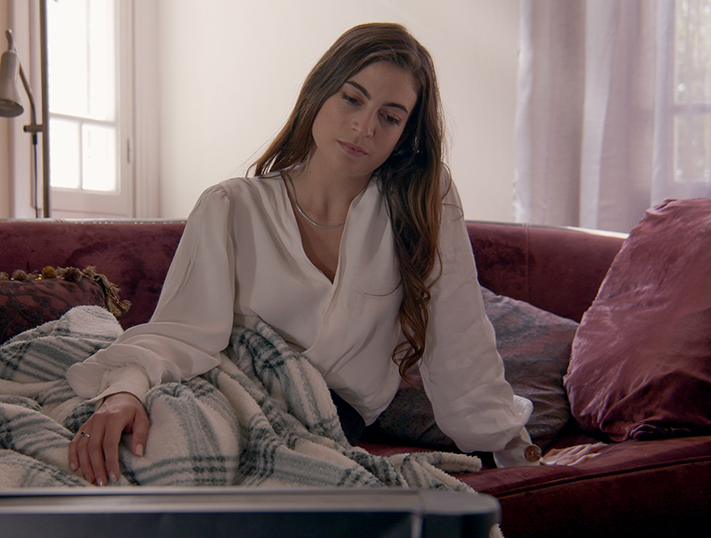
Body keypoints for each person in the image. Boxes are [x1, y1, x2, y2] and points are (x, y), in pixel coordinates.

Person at [66, 22, 538, 487]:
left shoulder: (422, 201)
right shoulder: (231, 205)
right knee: (94, 464)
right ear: (320, 91)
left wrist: (517, 450)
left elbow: (460, 341)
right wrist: (124, 392)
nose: (364, 126)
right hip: (218, 397)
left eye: (390, 117)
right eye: (351, 98)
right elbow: (182, 332)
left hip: (323, 431)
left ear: (404, 134)